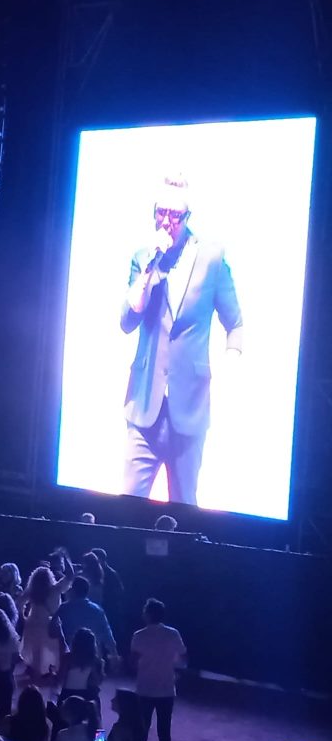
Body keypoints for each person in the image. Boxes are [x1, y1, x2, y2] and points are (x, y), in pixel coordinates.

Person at [120, 175, 243, 506]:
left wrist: (229, 364)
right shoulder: (143, 257)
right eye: (161, 213)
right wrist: (148, 269)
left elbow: (235, 323)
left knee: (184, 510)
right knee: (125, 510)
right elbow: (128, 319)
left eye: (174, 215)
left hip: (189, 408)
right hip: (146, 405)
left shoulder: (212, 259)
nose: (166, 222)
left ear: (187, 218)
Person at [130, 598, 186, 741]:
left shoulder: (139, 635)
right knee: (164, 731)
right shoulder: (173, 634)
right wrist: (176, 671)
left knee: (141, 730)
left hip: (145, 689)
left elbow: (133, 662)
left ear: (147, 614)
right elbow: (183, 657)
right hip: (167, 689)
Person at [55, 577, 117, 660]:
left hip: (70, 658)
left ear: (73, 590)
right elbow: (107, 635)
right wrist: (114, 654)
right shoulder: (97, 610)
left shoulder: (64, 609)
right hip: (93, 658)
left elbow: (52, 630)